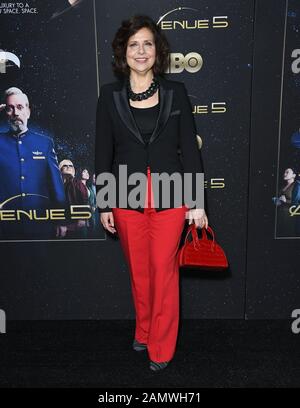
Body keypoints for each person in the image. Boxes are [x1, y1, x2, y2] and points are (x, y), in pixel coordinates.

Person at [95, 15, 208, 372]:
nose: (140, 51)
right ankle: (144, 329)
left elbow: (190, 150)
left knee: (163, 270)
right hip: (125, 196)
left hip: (171, 196)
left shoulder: (175, 92)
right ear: (123, 52)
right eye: (133, 45)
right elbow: (103, 152)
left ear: (156, 51)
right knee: (139, 272)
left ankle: (161, 344)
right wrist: (103, 203)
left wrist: (197, 203)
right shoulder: (109, 95)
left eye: (147, 44)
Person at [0, 87, 65, 239]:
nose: (15, 113)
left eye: (20, 107)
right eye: (10, 109)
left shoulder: (45, 143)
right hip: (5, 226)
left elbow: (55, 184)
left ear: (28, 111)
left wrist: (62, 219)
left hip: (40, 223)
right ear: (5, 113)